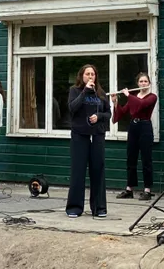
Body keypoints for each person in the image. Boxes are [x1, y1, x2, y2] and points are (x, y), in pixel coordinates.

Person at [66, 64, 111, 218]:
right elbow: (72, 108)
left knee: (98, 170)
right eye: (87, 74)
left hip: (97, 135)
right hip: (80, 135)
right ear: (82, 76)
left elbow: (108, 114)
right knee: (78, 171)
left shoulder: (101, 93)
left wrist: (99, 117)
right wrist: (85, 91)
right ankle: (74, 207)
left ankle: (99, 207)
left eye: (93, 74)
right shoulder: (75, 91)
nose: (90, 76)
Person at [111, 72, 157, 201]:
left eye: (145, 81)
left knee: (146, 159)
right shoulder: (134, 97)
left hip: (145, 127)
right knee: (131, 158)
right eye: (141, 82)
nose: (143, 84)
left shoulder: (152, 97)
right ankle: (129, 189)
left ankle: (147, 190)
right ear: (137, 83)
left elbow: (141, 105)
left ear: (149, 83)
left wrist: (128, 95)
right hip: (133, 127)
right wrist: (115, 102)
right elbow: (123, 112)